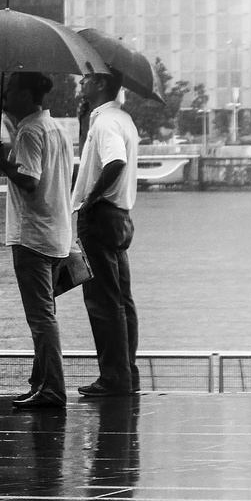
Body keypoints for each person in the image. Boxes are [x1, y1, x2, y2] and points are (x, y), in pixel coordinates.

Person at [0, 72, 74, 410]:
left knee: (40, 318)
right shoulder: (58, 130)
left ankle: (52, 389)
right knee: (46, 313)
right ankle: (40, 383)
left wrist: (2, 164)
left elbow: (29, 181)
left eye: (10, 90)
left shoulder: (29, 131)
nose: (5, 95)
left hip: (32, 237)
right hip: (57, 235)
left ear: (25, 94)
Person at [72, 70, 140, 397]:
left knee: (102, 300)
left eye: (87, 78)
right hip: (120, 217)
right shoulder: (120, 119)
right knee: (122, 299)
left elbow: (115, 162)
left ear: (100, 84)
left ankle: (113, 377)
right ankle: (127, 373)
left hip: (100, 216)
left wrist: (90, 198)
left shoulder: (105, 123)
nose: (81, 83)